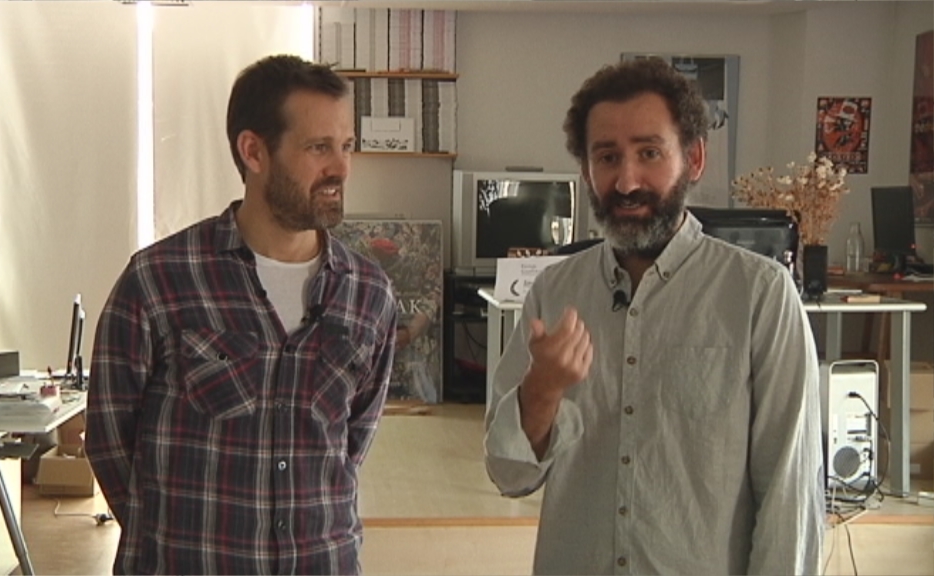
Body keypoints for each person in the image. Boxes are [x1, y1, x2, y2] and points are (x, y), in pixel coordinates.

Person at [484, 57, 825, 575]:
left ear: (694, 159)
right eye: (607, 157)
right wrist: (542, 390)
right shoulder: (554, 292)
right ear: (586, 170)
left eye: (649, 153)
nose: (626, 181)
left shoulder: (760, 295)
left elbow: (790, 494)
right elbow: (509, 474)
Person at [85, 54, 399, 575]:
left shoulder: (368, 295)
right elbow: (110, 441)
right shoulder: (160, 282)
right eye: (318, 147)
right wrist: (175, 540)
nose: (341, 168)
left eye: (346, 146)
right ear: (253, 151)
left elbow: (350, 446)